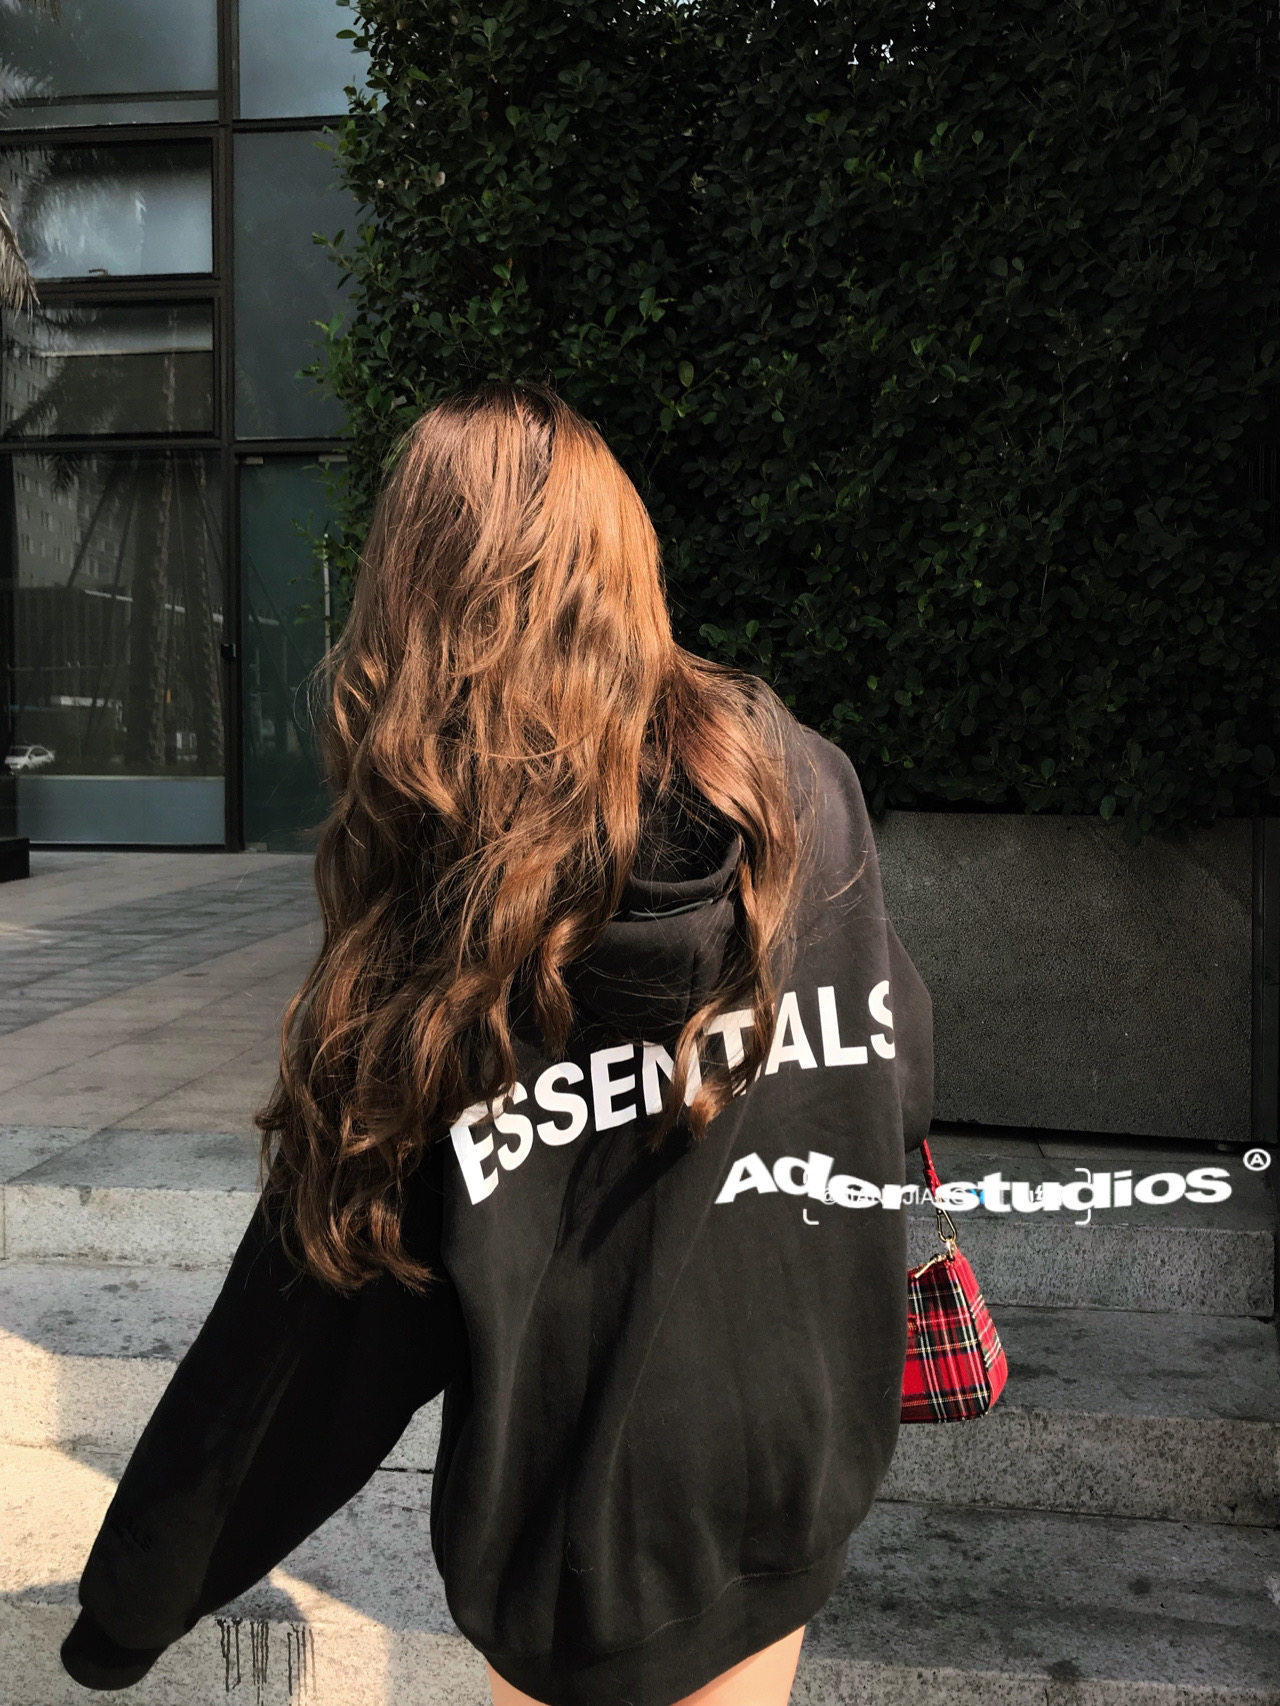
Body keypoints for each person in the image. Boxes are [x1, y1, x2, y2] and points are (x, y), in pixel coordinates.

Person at [59, 380, 933, 1706]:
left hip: (584, 1545)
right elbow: (895, 1059)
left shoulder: (452, 924)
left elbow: (307, 1334)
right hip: (791, 1465)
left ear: (413, 608)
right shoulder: (799, 782)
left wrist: (126, 1610)